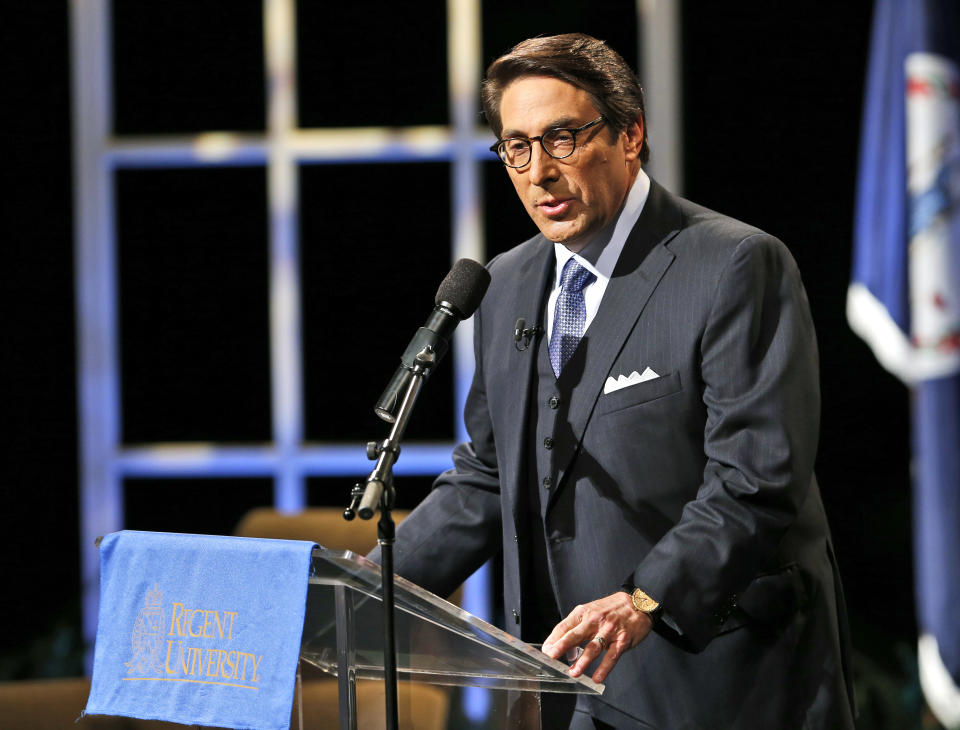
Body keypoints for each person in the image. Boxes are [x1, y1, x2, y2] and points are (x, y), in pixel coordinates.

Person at [375, 33, 856, 729]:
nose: (538, 172)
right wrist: (364, 587)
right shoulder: (506, 284)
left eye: (562, 139)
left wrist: (643, 600)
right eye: (516, 146)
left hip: (720, 684)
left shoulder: (733, 266)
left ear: (631, 135)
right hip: (563, 688)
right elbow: (487, 476)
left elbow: (756, 478)